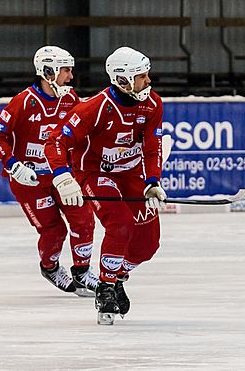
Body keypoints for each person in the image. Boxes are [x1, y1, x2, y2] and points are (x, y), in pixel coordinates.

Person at [44, 46, 167, 324]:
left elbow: (152, 146)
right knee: (120, 222)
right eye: (142, 76)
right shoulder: (93, 109)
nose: (148, 81)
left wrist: (152, 182)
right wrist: (63, 177)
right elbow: (55, 142)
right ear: (122, 80)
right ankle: (106, 286)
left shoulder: (153, 104)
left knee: (148, 244)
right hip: (96, 174)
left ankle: (117, 275)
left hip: (132, 175)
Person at [0, 46, 99, 297]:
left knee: (84, 220)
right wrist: (14, 166)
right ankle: (50, 267)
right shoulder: (23, 101)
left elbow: (85, 134)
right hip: (30, 181)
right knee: (54, 230)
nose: (71, 77)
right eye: (66, 71)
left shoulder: (71, 100)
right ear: (48, 71)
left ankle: (82, 273)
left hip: (62, 177)